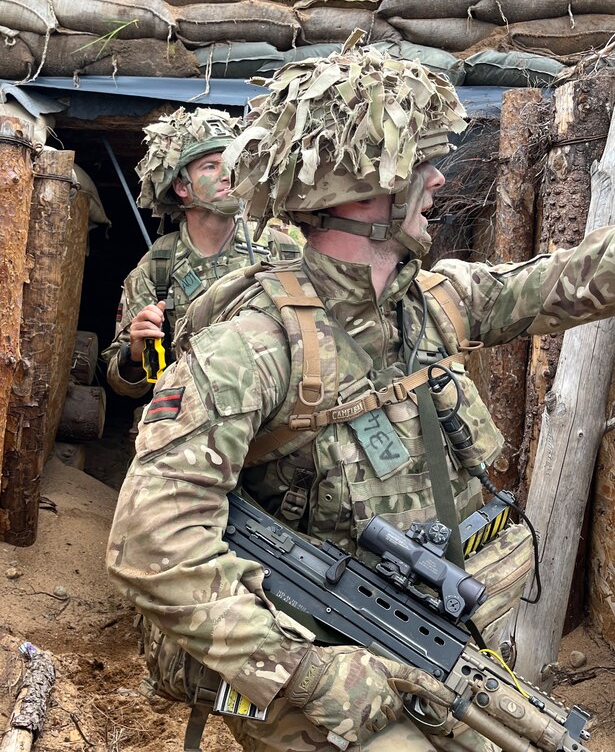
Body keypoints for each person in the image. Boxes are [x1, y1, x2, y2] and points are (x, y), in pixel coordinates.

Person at [107, 43, 615, 752]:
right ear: (360, 189)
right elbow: (148, 540)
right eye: (421, 166)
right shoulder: (250, 349)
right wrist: (309, 672)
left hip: (410, 618)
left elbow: (561, 282)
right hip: (304, 648)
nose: (439, 180)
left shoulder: (428, 307)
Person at [102, 106, 300, 399]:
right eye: (210, 166)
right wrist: (134, 353)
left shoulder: (279, 249)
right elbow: (125, 385)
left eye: (231, 164)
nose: (227, 176)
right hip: (190, 411)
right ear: (182, 186)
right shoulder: (158, 266)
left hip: (268, 409)